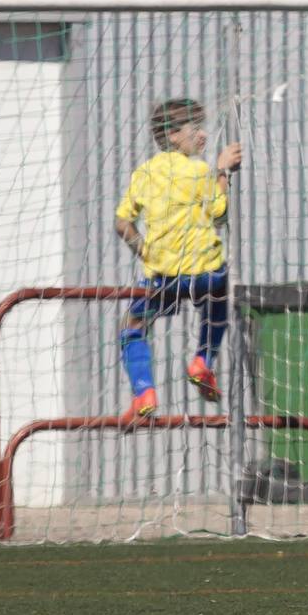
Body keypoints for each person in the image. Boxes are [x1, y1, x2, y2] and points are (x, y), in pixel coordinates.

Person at [110, 98, 241, 416]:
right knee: (218, 304)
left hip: (164, 276)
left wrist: (146, 251)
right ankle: (202, 362)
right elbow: (220, 213)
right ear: (172, 135)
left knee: (133, 325)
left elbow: (122, 224)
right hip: (206, 273)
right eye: (195, 129)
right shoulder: (199, 171)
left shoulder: (145, 172)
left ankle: (144, 392)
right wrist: (223, 170)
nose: (204, 136)